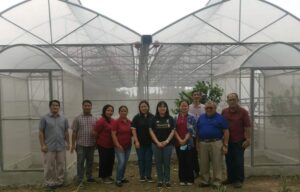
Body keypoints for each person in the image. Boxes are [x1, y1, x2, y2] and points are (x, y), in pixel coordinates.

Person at [197, 101, 229, 188]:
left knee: (217, 163)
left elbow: (226, 131)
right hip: (203, 143)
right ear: (205, 109)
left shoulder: (220, 118)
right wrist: (197, 144)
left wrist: (225, 145)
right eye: (207, 108)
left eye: (211, 108)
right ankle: (205, 180)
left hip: (216, 143)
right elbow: (198, 132)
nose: (209, 109)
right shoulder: (201, 117)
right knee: (203, 163)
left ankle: (217, 181)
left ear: (215, 108)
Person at [39, 100, 70, 189]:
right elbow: (41, 132)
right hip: (49, 146)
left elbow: (66, 132)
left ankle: (60, 181)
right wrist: (42, 145)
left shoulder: (64, 118)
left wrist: (68, 143)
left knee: (61, 165)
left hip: (61, 146)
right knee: (49, 166)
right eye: (53, 105)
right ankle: (50, 182)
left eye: (57, 105)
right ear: (50, 107)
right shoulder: (44, 118)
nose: (55, 107)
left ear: (59, 107)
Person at [222, 93, 251, 188]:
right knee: (228, 161)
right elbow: (221, 125)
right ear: (227, 101)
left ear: (237, 100)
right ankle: (230, 178)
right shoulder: (224, 111)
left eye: (234, 99)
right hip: (227, 141)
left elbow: (247, 126)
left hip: (239, 140)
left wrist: (248, 139)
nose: (232, 101)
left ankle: (238, 179)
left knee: (238, 161)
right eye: (230, 100)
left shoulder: (243, 112)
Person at [71, 100, 97, 184]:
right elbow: (74, 132)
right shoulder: (77, 118)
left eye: (89, 105)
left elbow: (97, 131)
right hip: (81, 144)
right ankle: (80, 179)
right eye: (85, 105)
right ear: (82, 106)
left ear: (91, 107)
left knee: (90, 162)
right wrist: (73, 144)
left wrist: (96, 142)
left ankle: (89, 177)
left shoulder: (95, 118)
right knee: (80, 162)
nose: (87, 107)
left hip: (91, 144)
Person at [149, 101, 175, 188]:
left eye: (164, 106)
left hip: (168, 145)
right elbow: (151, 131)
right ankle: (160, 180)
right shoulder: (153, 118)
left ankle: (167, 180)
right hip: (156, 145)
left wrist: (167, 141)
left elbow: (173, 131)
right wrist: (157, 142)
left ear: (166, 108)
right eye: (160, 107)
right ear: (157, 108)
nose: (162, 108)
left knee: (167, 163)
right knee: (158, 163)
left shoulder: (171, 118)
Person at [174, 100, 197, 186]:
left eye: (185, 106)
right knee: (181, 160)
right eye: (182, 106)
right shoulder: (176, 117)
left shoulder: (192, 117)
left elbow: (192, 130)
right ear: (179, 107)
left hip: (189, 143)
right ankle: (182, 179)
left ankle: (190, 179)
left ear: (188, 107)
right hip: (178, 143)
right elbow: (174, 130)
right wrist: (180, 140)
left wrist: (184, 140)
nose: (184, 107)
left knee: (189, 160)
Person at [131, 100, 154, 182]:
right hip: (139, 143)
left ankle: (148, 176)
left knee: (149, 159)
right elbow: (133, 130)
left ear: (148, 107)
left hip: (150, 143)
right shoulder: (136, 117)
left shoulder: (152, 117)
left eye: (145, 106)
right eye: (142, 106)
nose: (144, 108)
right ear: (139, 108)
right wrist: (136, 141)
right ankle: (142, 176)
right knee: (141, 159)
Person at [93, 104, 115, 184]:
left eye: (111, 110)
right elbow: (94, 132)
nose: (110, 112)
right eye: (108, 110)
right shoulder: (101, 121)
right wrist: (98, 140)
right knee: (104, 161)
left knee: (111, 160)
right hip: (102, 145)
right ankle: (103, 177)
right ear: (104, 111)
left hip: (111, 144)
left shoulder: (113, 120)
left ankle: (108, 175)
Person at [111, 105, 132, 187]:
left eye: (125, 111)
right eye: (122, 111)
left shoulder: (129, 122)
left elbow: (132, 133)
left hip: (128, 146)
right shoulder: (116, 122)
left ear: (127, 112)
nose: (123, 112)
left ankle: (122, 177)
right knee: (121, 162)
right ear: (119, 112)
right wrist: (117, 144)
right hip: (119, 146)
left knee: (124, 163)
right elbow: (113, 134)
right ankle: (118, 180)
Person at [188, 90, 205, 177]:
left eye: (198, 95)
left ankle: (204, 171)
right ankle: (196, 171)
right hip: (192, 134)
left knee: (203, 153)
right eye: (194, 95)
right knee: (193, 153)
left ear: (200, 97)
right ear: (192, 96)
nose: (196, 96)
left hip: (202, 133)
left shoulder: (204, 107)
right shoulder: (189, 107)